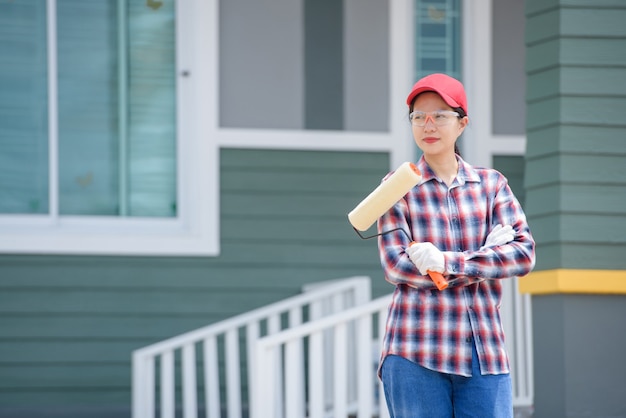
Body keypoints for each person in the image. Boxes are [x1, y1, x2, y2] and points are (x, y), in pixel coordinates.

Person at [377, 73, 536, 417]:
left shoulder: (492, 185)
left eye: (440, 116)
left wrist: (447, 262)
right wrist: (486, 259)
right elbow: (396, 265)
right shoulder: (396, 186)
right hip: (415, 351)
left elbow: (523, 254)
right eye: (418, 117)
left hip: (484, 352)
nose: (428, 125)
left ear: (462, 124)